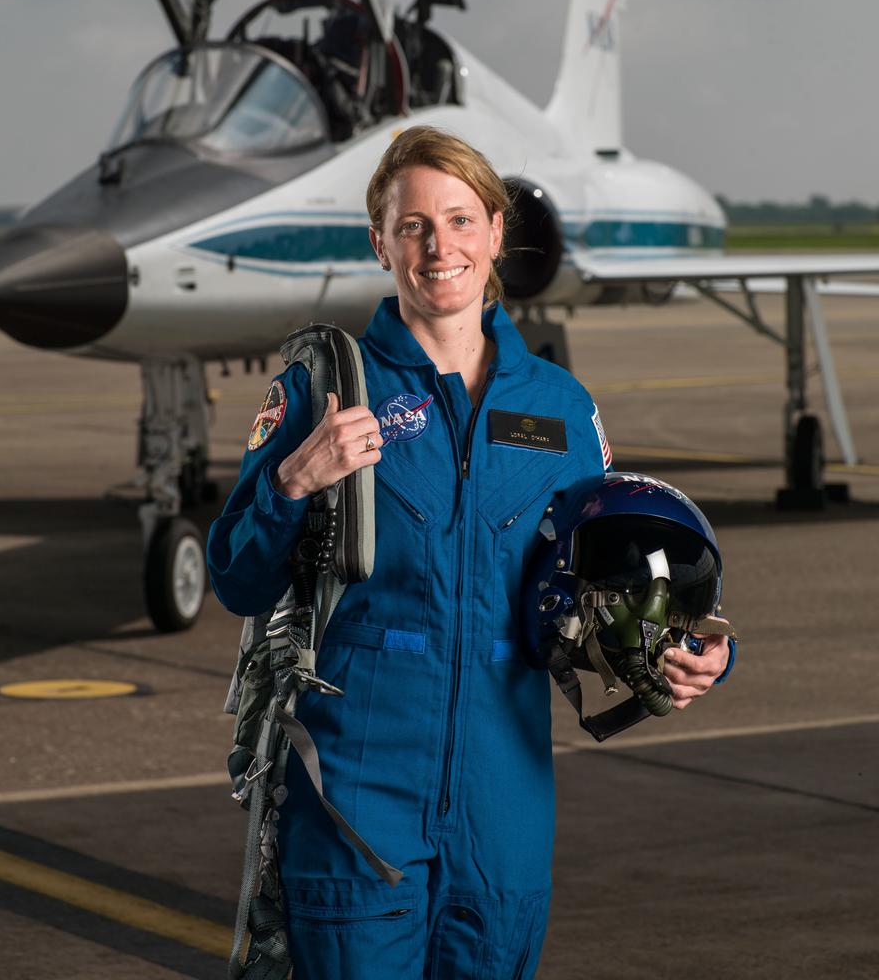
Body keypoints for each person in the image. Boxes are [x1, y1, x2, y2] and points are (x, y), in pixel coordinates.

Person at [208, 126, 730, 979]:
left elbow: (612, 584)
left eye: (458, 220)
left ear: (495, 231)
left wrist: (693, 651)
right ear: (380, 242)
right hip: (358, 786)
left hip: (503, 802)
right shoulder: (321, 388)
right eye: (411, 225)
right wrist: (293, 482)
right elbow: (236, 576)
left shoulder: (562, 410)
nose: (437, 246)